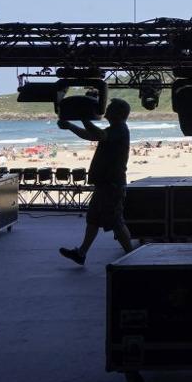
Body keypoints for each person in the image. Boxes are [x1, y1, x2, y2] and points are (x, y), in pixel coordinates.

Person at [58, 98, 134, 265]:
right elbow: (91, 135)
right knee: (93, 220)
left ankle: (134, 256)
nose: (106, 108)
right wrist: (71, 126)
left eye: (110, 107)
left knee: (116, 222)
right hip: (105, 185)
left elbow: (98, 135)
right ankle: (81, 253)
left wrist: (83, 119)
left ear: (119, 113)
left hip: (112, 185)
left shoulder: (120, 129)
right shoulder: (115, 129)